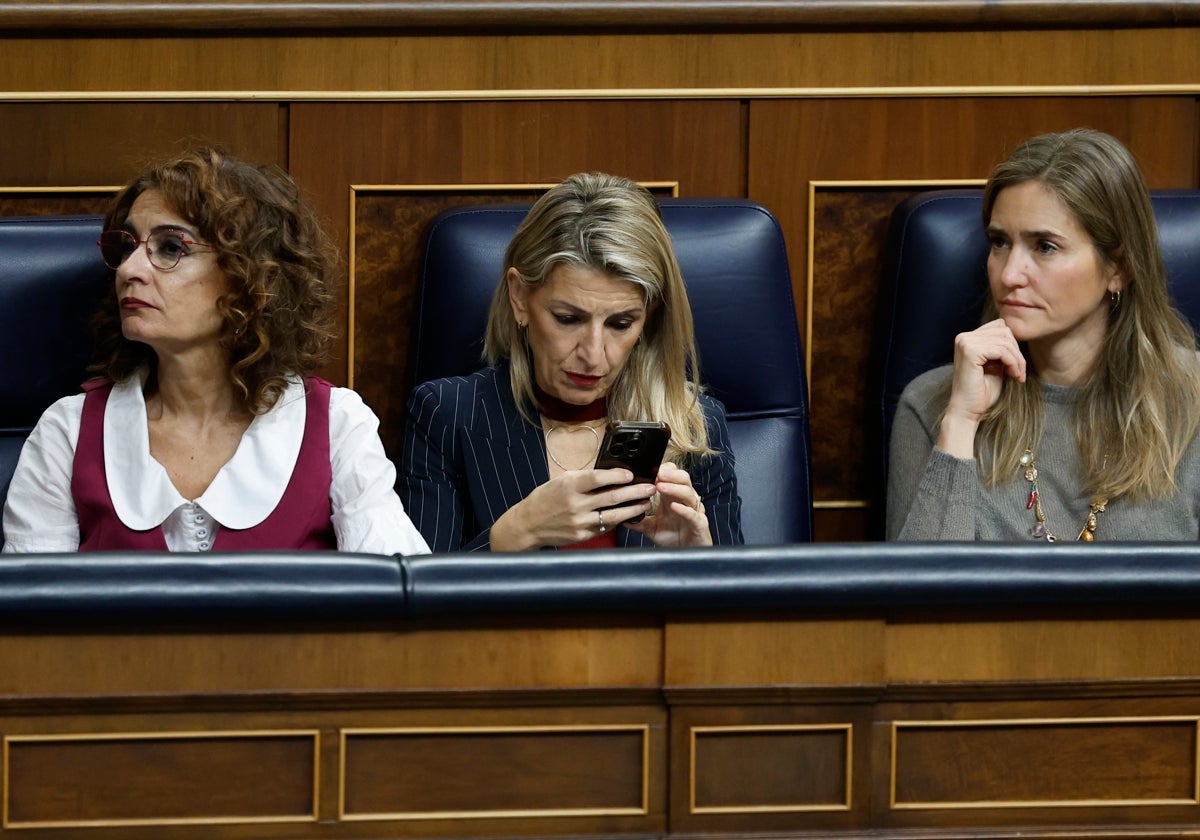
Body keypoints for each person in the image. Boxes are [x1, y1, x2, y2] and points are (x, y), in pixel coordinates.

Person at [2, 147, 429, 555]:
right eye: (127, 246)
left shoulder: (336, 423)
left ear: (250, 274)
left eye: (171, 247)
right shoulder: (68, 432)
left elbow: (402, 605)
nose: (130, 270)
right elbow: (28, 620)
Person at [400, 172, 743, 551]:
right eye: (568, 319)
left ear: (650, 316)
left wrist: (700, 563)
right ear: (519, 297)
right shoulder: (447, 416)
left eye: (620, 323)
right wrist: (516, 534)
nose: (593, 354)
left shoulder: (697, 424)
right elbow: (422, 598)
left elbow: (743, 608)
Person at [888, 128, 1200, 541]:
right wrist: (961, 423)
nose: (1010, 274)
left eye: (1045, 247)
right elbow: (917, 600)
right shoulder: (932, 406)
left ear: (1118, 268)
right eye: (999, 242)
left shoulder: (1191, 399)